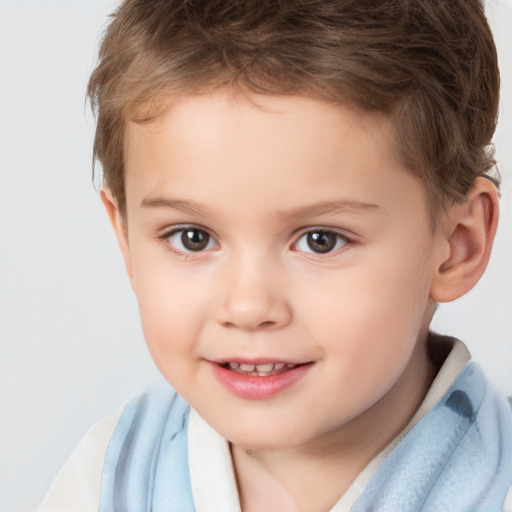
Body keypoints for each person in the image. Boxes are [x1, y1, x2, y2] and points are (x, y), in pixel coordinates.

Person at [36, 0, 512, 510]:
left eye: (320, 240)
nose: (248, 307)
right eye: (192, 237)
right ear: (126, 238)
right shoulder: (109, 479)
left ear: (458, 246)